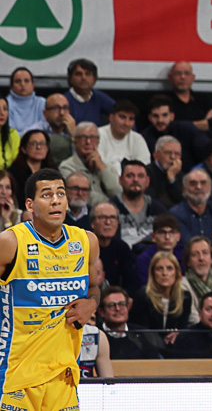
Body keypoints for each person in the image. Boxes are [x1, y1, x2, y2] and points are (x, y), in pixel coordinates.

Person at [0, 169, 100, 409]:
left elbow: (94, 286)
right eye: (46, 195)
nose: (55, 200)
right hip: (15, 378)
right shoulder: (11, 242)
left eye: (61, 194)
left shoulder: (86, 241)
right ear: (30, 204)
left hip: (63, 378)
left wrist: (92, 303)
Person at [130, 251, 193, 331]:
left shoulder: (185, 297)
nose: (164, 273)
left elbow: (182, 330)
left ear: (176, 273)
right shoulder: (143, 296)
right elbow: (143, 332)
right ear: (152, 273)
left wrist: (177, 335)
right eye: (159, 269)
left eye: (169, 268)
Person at [98, 100, 150, 176]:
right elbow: (98, 167)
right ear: (111, 117)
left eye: (131, 119)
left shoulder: (138, 139)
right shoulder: (98, 135)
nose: (126, 123)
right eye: (122, 117)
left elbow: (143, 169)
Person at [134, 213, 184, 287]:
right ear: (153, 237)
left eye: (172, 232)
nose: (167, 237)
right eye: (162, 232)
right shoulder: (144, 260)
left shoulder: (185, 255)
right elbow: (145, 289)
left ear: (178, 237)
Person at [25, 93, 74, 167]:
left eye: (65, 108)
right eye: (56, 108)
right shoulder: (34, 132)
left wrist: (75, 135)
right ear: (45, 113)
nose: (61, 113)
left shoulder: (75, 130)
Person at [64, 58, 115, 127]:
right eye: (78, 74)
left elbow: (122, 112)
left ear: (94, 79)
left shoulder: (99, 97)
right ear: (70, 79)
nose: (83, 78)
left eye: (88, 74)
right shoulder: (63, 100)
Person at [8, 129, 55, 198]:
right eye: (34, 143)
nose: (38, 147)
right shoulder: (14, 172)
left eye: (42, 143)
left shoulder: (52, 171)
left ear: (47, 148)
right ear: (24, 149)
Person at [6, 68, 45, 136]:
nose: (22, 84)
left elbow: (45, 129)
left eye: (26, 81)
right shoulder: (5, 104)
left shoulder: (41, 102)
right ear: (11, 86)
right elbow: (9, 134)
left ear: (33, 85)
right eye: (18, 81)